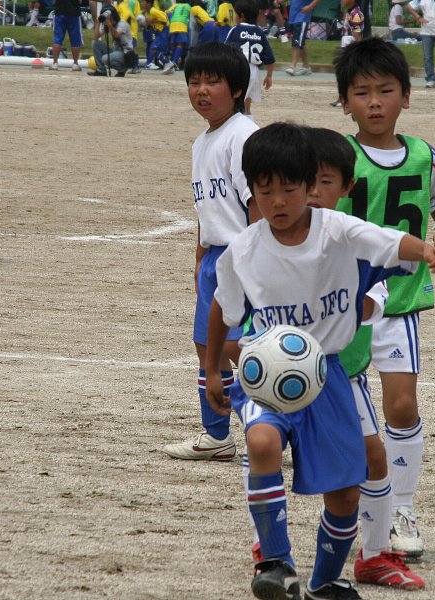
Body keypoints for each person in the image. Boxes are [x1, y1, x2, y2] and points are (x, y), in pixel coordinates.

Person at [204, 121, 435, 600]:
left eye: (289, 189)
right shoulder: (243, 250)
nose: (278, 202)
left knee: (345, 492)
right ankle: (275, 562)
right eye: (265, 191)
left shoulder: (337, 232)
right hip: (264, 378)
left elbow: (391, 241)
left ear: (309, 186)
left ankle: (325, 581)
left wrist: (430, 252)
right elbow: (222, 308)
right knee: (261, 440)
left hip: (328, 377)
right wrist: (214, 369)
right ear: (251, 190)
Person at [333, 37, 435, 561]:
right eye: (362, 93)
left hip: (400, 299)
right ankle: (364, 507)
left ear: (406, 95)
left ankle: (403, 508)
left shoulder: (425, 154)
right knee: (356, 419)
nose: (375, 102)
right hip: (348, 305)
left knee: (402, 405)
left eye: (386, 90)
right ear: (345, 102)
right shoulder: (338, 156)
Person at [305, 127, 426, 592]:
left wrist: (429, 251)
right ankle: (267, 553)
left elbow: (387, 262)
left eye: (325, 182)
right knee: (266, 452)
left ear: (345, 187)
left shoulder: (348, 233)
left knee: (374, 459)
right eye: (304, 182)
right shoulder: (272, 237)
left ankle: (373, 556)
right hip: (285, 371)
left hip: (343, 372)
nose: (313, 193)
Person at [164, 42, 259, 462]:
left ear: (236, 89)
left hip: (242, 257)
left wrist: (257, 260)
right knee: (208, 347)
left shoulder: (243, 135)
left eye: (212, 82)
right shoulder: (202, 142)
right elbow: (207, 209)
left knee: (240, 349)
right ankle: (217, 434)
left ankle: (278, 423)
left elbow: (257, 203)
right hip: (216, 259)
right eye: (194, 82)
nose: (201, 90)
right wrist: (200, 256)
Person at [225, 0, 275, 116]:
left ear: (241, 16)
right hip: (254, 71)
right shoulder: (260, 32)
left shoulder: (235, 29)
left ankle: (238, 123)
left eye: (236, 14)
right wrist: (269, 76)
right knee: (247, 104)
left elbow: (225, 50)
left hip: (238, 68)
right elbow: (270, 58)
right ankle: (248, 121)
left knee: (236, 103)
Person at [87, 5, 137, 76]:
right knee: (95, 43)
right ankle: (101, 70)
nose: (106, 18)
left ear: (113, 16)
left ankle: (122, 69)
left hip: (126, 54)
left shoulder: (122, 24)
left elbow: (116, 34)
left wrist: (110, 25)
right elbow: (96, 37)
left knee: (105, 58)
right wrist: (97, 23)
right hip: (116, 51)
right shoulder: (108, 24)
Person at [285, 0, 320, 76]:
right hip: (293, 18)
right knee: (301, 43)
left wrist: (310, 7)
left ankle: (292, 66)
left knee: (296, 43)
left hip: (302, 18)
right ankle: (306, 67)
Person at [50, 0, 84, 71]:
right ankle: (75, 64)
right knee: (75, 39)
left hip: (59, 11)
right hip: (74, 13)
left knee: (57, 39)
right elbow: (80, 1)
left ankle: (55, 63)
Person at [140, 0, 172, 71]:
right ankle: (168, 63)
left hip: (163, 31)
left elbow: (165, 19)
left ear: (149, 3)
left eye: (143, 2)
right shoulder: (147, 13)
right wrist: (145, 24)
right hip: (158, 32)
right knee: (157, 50)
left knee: (153, 48)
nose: (142, 3)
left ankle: (151, 63)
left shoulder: (153, 11)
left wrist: (153, 21)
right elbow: (150, 26)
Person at [166, 0, 191, 69]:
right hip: (181, 24)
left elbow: (167, 12)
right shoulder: (188, 6)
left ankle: (172, 61)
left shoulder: (175, 5)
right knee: (180, 44)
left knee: (173, 44)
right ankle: (175, 62)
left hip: (173, 24)